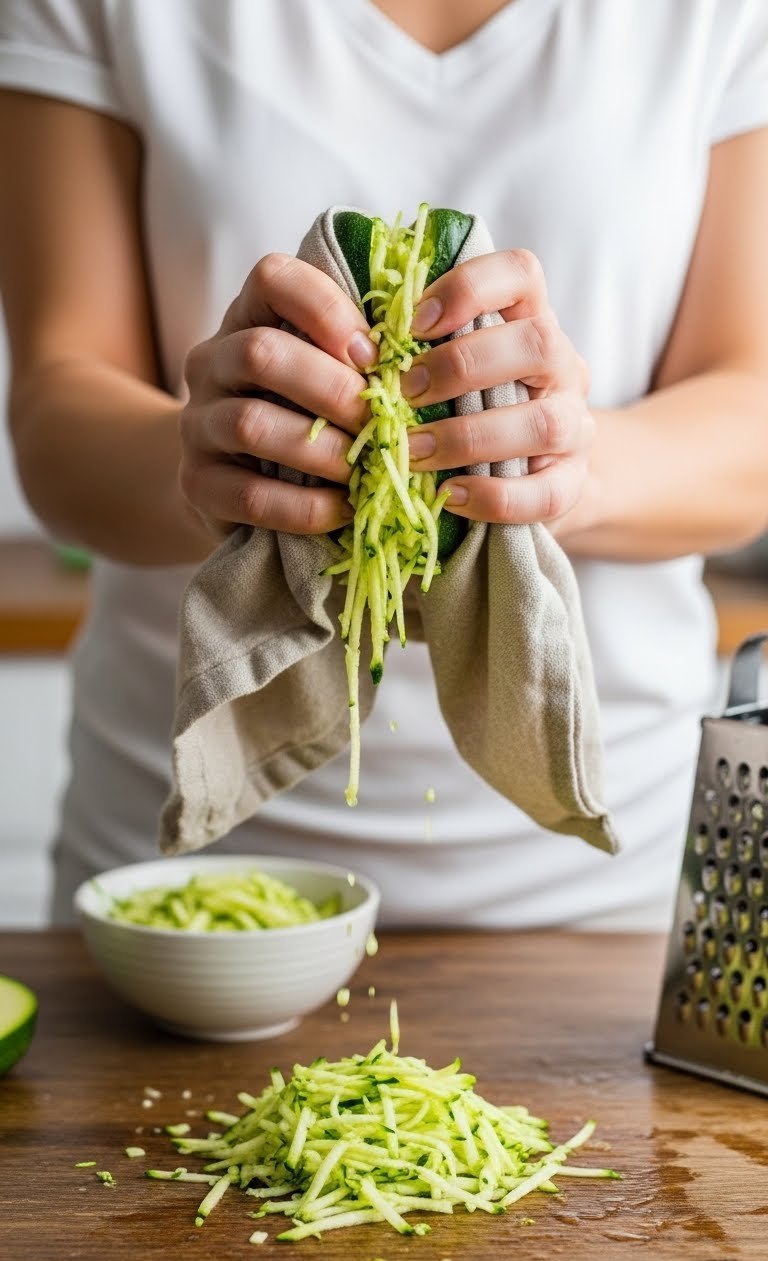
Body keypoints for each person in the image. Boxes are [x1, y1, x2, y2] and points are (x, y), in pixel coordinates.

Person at [1, 0, 767, 930]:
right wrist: (196, 460)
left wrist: (573, 466)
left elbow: (750, 413)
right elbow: (56, 401)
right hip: (182, 890)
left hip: (605, 887)